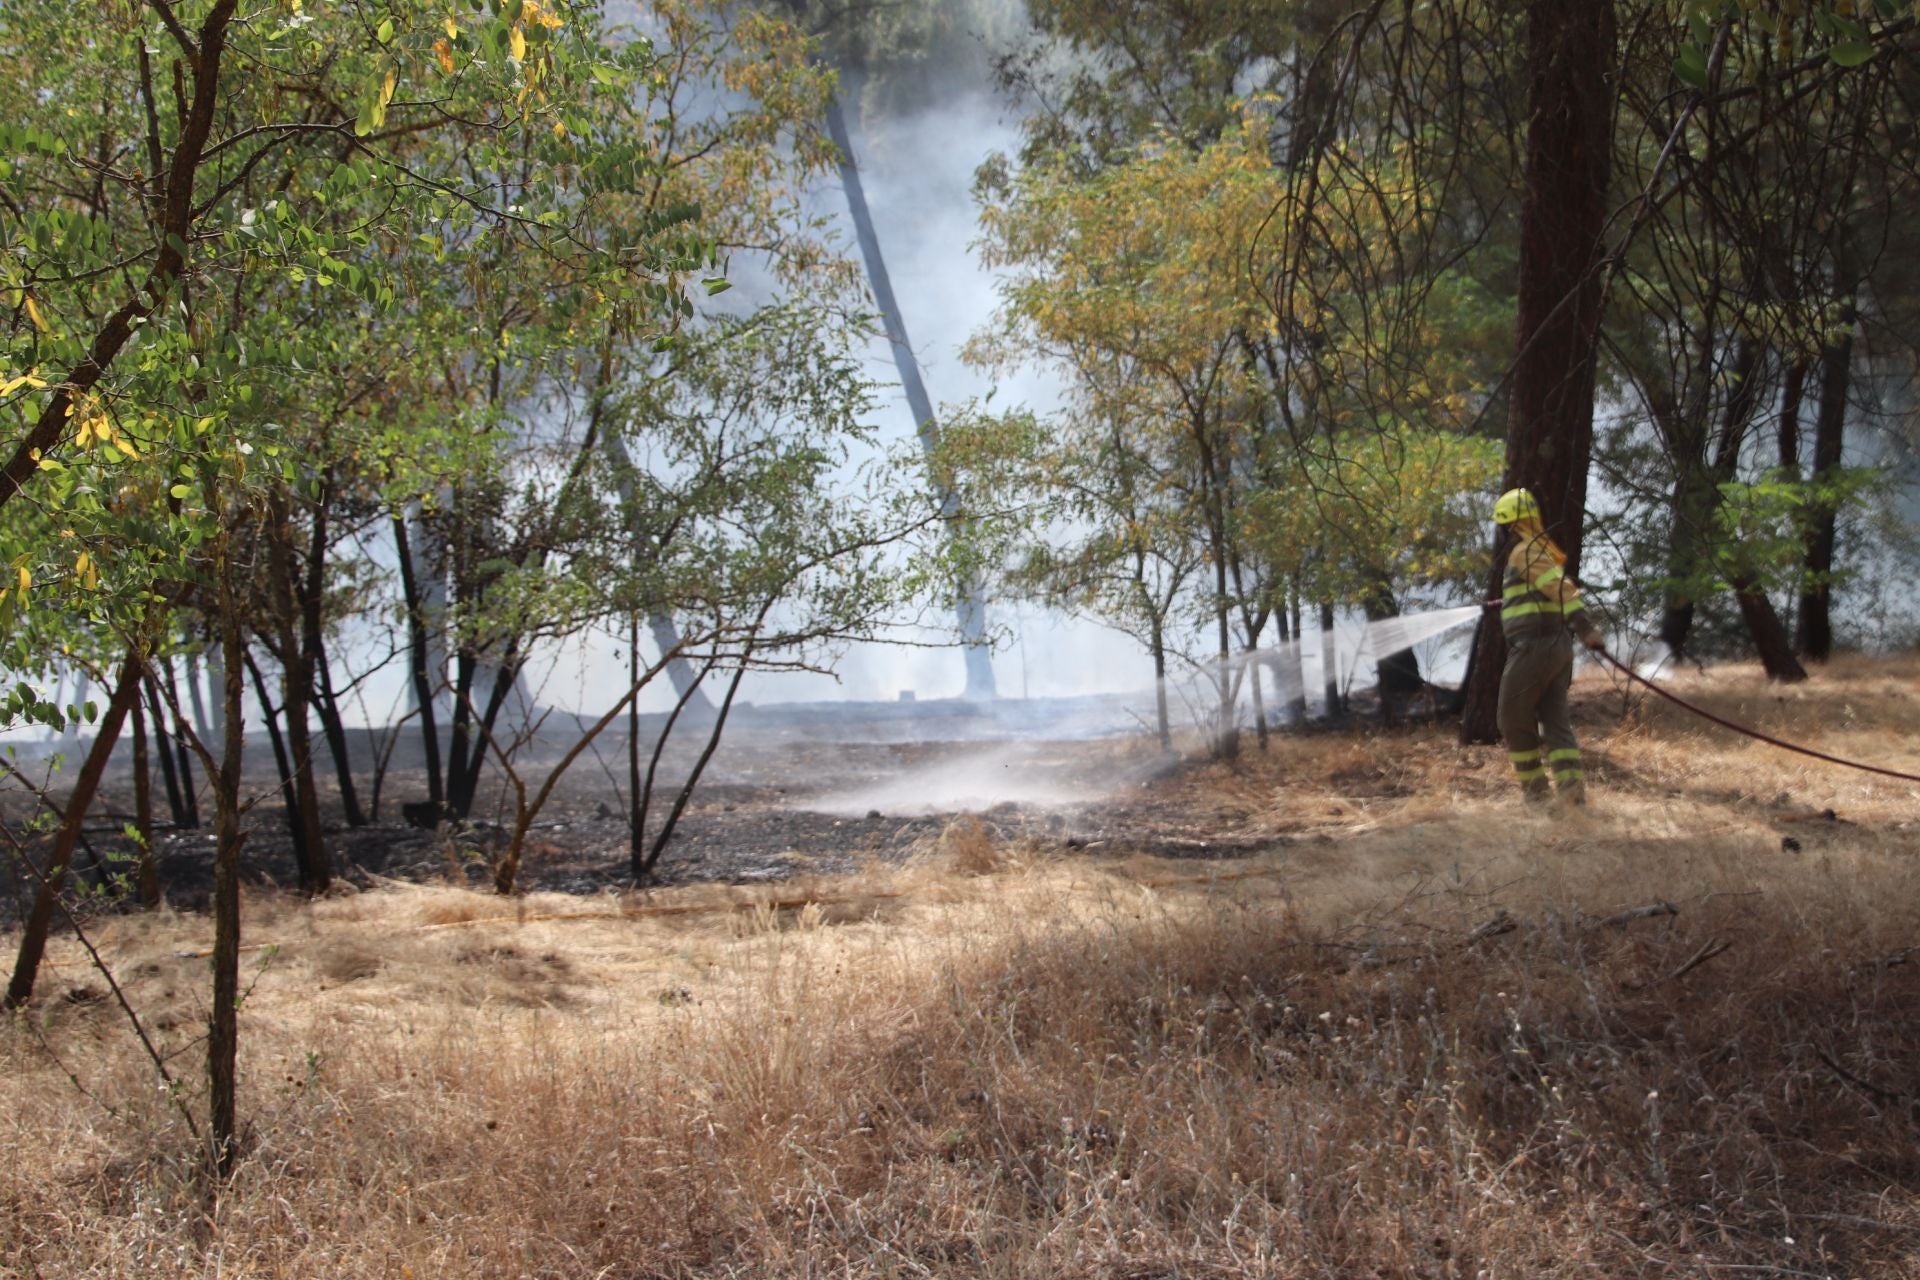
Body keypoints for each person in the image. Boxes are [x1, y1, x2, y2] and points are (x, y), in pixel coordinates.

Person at [1492, 487, 1605, 804]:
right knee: (1555, 723)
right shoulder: (1541, 550)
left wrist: (1584, 626)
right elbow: (1545, 588)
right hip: (1558, 649)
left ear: (1510, 524)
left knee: (1512, 719)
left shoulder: (1524, 551)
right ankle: (1572, 799)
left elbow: (1560, 589)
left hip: (1534, 649)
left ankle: (1537, 798)